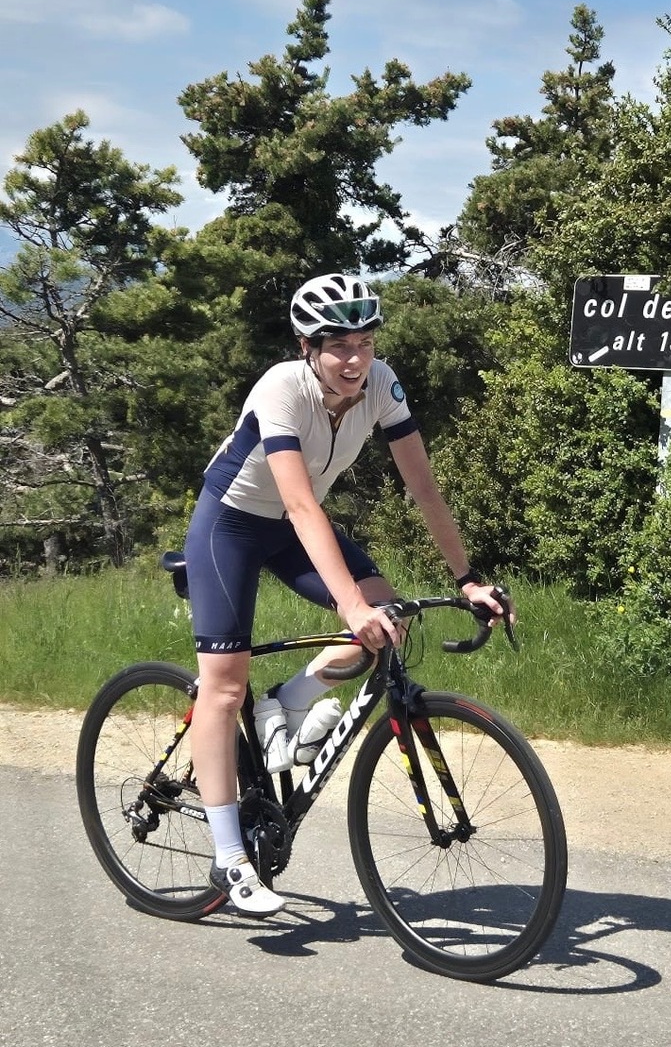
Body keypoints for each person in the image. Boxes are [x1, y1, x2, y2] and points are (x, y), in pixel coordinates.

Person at [184, 273, 507, 916]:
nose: (355, 358)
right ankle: (228, 859)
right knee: (223, 686)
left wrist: (465, 576)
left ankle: (289, 700)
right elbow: (301, 503)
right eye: (338, 344)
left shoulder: (381, 384)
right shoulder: (282, 388)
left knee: (391, 619)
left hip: (297, 528)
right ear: (309, 346)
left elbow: (424, 489)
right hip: (232, 526)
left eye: (365, 341)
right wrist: (348, 605)